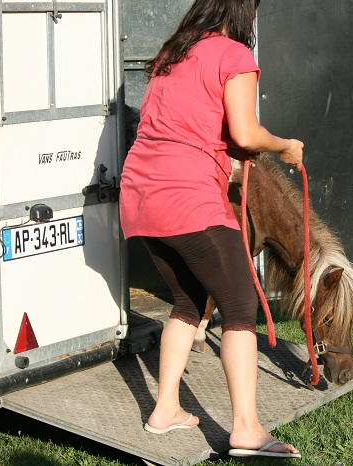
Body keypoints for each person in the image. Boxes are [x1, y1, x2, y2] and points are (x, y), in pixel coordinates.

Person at [119, 0, 303, 459]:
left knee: (186, 300)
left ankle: (165, 410)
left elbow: (180, 127)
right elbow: (244, 132)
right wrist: (284, 146)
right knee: (240, 304)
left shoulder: (172, 55)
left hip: (140, 195)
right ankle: (247, 429)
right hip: (187, 198)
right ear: (243, 12)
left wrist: (224, 156)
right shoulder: (234, 55)